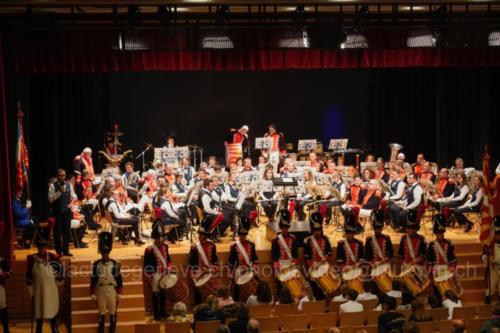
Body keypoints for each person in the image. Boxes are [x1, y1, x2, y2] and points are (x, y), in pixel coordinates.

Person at [26, 238, 64, 333]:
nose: (41, 249)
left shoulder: (53, 258)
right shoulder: (32, 259)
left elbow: (60, 272)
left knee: (52, 314)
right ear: (38, 248)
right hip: (38, 292)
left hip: (51, 292)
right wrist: (30, 290)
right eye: (39, 247)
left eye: (43, 247)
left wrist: (59, 280)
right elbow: (29, 276)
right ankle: (38, 330)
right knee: (39, 315)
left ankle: (54, 329)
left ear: (46, 247)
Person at [143, 222, 173, 321]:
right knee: (156, 295)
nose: (160, 240)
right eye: (158, 238)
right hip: (155, 275)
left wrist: (169, 267)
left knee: (164, 294)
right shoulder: (149, 250)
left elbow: (168, 260)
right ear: (155, 239)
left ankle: (163, 311)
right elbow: (147, 265)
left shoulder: (165, 247)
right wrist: (151, 277)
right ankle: (156, 314)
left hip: (164, 273)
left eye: (161, 238)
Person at [90, 245, 122, 333]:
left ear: (109, 253)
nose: (105, 255)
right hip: (101, 290)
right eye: (103, 253)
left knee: (113, 312)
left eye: (107, 253)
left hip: (111, 289)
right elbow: (93, 279)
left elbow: (119, 279)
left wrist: (119, 293)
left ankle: (112, 331)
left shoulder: (114, 263)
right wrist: (92, 293)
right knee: (101, 313)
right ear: (101, 254)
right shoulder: (96, 264)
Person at [427, 214, 458, 300]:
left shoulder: (449, 243)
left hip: (447, 268)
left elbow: (453, 260)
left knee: (450, 293)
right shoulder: (431, 245)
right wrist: (432, 272)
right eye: (438, 233)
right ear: (435, 234)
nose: (440, 235)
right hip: (436, 270)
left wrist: (452, 268)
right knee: (441, 295)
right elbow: (430, 262)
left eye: (441, 233)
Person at [304, 212, 333, 300]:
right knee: (314, 280)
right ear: (312, 230)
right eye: (315, 231)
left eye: (318, 230)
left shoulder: (326, 239)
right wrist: (313, 264)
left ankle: (324, 298)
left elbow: (330, 252)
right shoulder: (308, 241)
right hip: (313, 266)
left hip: (324, 265)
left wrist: (326, 258)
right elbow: (307, 257)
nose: (317, 232)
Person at [189, 218, 218, 303]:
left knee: (211, 295)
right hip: (198, 274)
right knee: (197, 295)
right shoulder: (194, 247)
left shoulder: (212, 246)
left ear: (206, 236)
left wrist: (212, 270)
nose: (200, 237)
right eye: (199, 235)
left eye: (202, 235)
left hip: (209, 273)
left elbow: (215, 261)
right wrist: (196, 273)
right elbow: (191, 263)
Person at [48, 169, 77, 256]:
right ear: (57, 176)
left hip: (67, 212)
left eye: (63, 175)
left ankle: (66, 251)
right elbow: (50, 199)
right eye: (60, 175)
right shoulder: (53, 186)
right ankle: (58, 252)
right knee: (57, 233)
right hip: (57, 212)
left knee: (66, 232)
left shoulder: (69, 185)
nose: (62, 177)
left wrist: (72, 202)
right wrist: (59, 192)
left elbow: (74, 195)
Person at [229, 217, 258, 301]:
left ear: (246, 235)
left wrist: (254, 268)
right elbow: (231, 261)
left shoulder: (251, 245)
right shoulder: (234, 246)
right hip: (239, 271)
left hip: (249, 269)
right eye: (241, 235)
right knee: (236, 290)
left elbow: (255, 259)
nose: (242, 237)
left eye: (244, 235)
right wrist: (232, 274)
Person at [271, 209, 298, 274]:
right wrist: (278, 268)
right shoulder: (276, 240)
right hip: (280, 265)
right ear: (280, 228)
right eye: (283, 228)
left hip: (290, 264)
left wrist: (294, 263)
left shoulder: (292, 238)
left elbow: (295, 253)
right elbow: (274, 256)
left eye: (286, 228)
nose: (285, 230)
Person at [482, 217, 500, 304]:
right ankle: (487, 307)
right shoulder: (489, 244)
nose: (498, 236)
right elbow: (483, 256)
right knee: (490, 288)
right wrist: (487, 257)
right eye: (497, 234)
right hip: (493, 268)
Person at [0, 256, 12, 333]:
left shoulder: (2, 260)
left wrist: (4, 274)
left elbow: (10, 273)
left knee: (3, 308)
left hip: (0, 287)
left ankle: (6, 330)